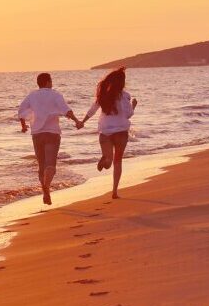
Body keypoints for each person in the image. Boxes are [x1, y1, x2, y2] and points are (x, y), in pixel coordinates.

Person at [17, 72, 83, 205]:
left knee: (41, 165)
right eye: (51, 81)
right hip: (52, 133)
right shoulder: (55, 94)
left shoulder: (32, 95)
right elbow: (66, 110)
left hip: (37, 134)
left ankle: (44, 191)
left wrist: (24, 126)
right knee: (51, 165)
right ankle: (47, 186)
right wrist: (77, 121)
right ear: (47, 82)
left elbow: (21, 111)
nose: (52, 83)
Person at [81, 67, 137, 199]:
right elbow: (128, 114)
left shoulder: (103, 95)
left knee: (109, 162)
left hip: (105, 132)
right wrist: (134, 105)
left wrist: (82, 121)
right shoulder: (125, 96)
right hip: (121, 132)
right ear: (122, 83)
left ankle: (105, 159)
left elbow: (92, 110)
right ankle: (114, 192)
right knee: (118, 161)